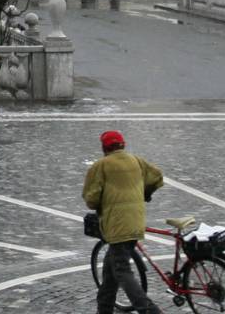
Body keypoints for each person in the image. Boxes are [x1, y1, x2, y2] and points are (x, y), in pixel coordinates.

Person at [83, 130, 165, 314]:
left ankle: (149, 310)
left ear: (104, 147)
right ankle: (103, 310)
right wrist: (145, 193)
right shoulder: (136, 161)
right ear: (123, 145)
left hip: (116, 226)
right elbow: (157, 177)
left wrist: (101, 203)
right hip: (135, 221)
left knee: (122, 272)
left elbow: (91, 199)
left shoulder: (101, 166)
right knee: (110, 272)